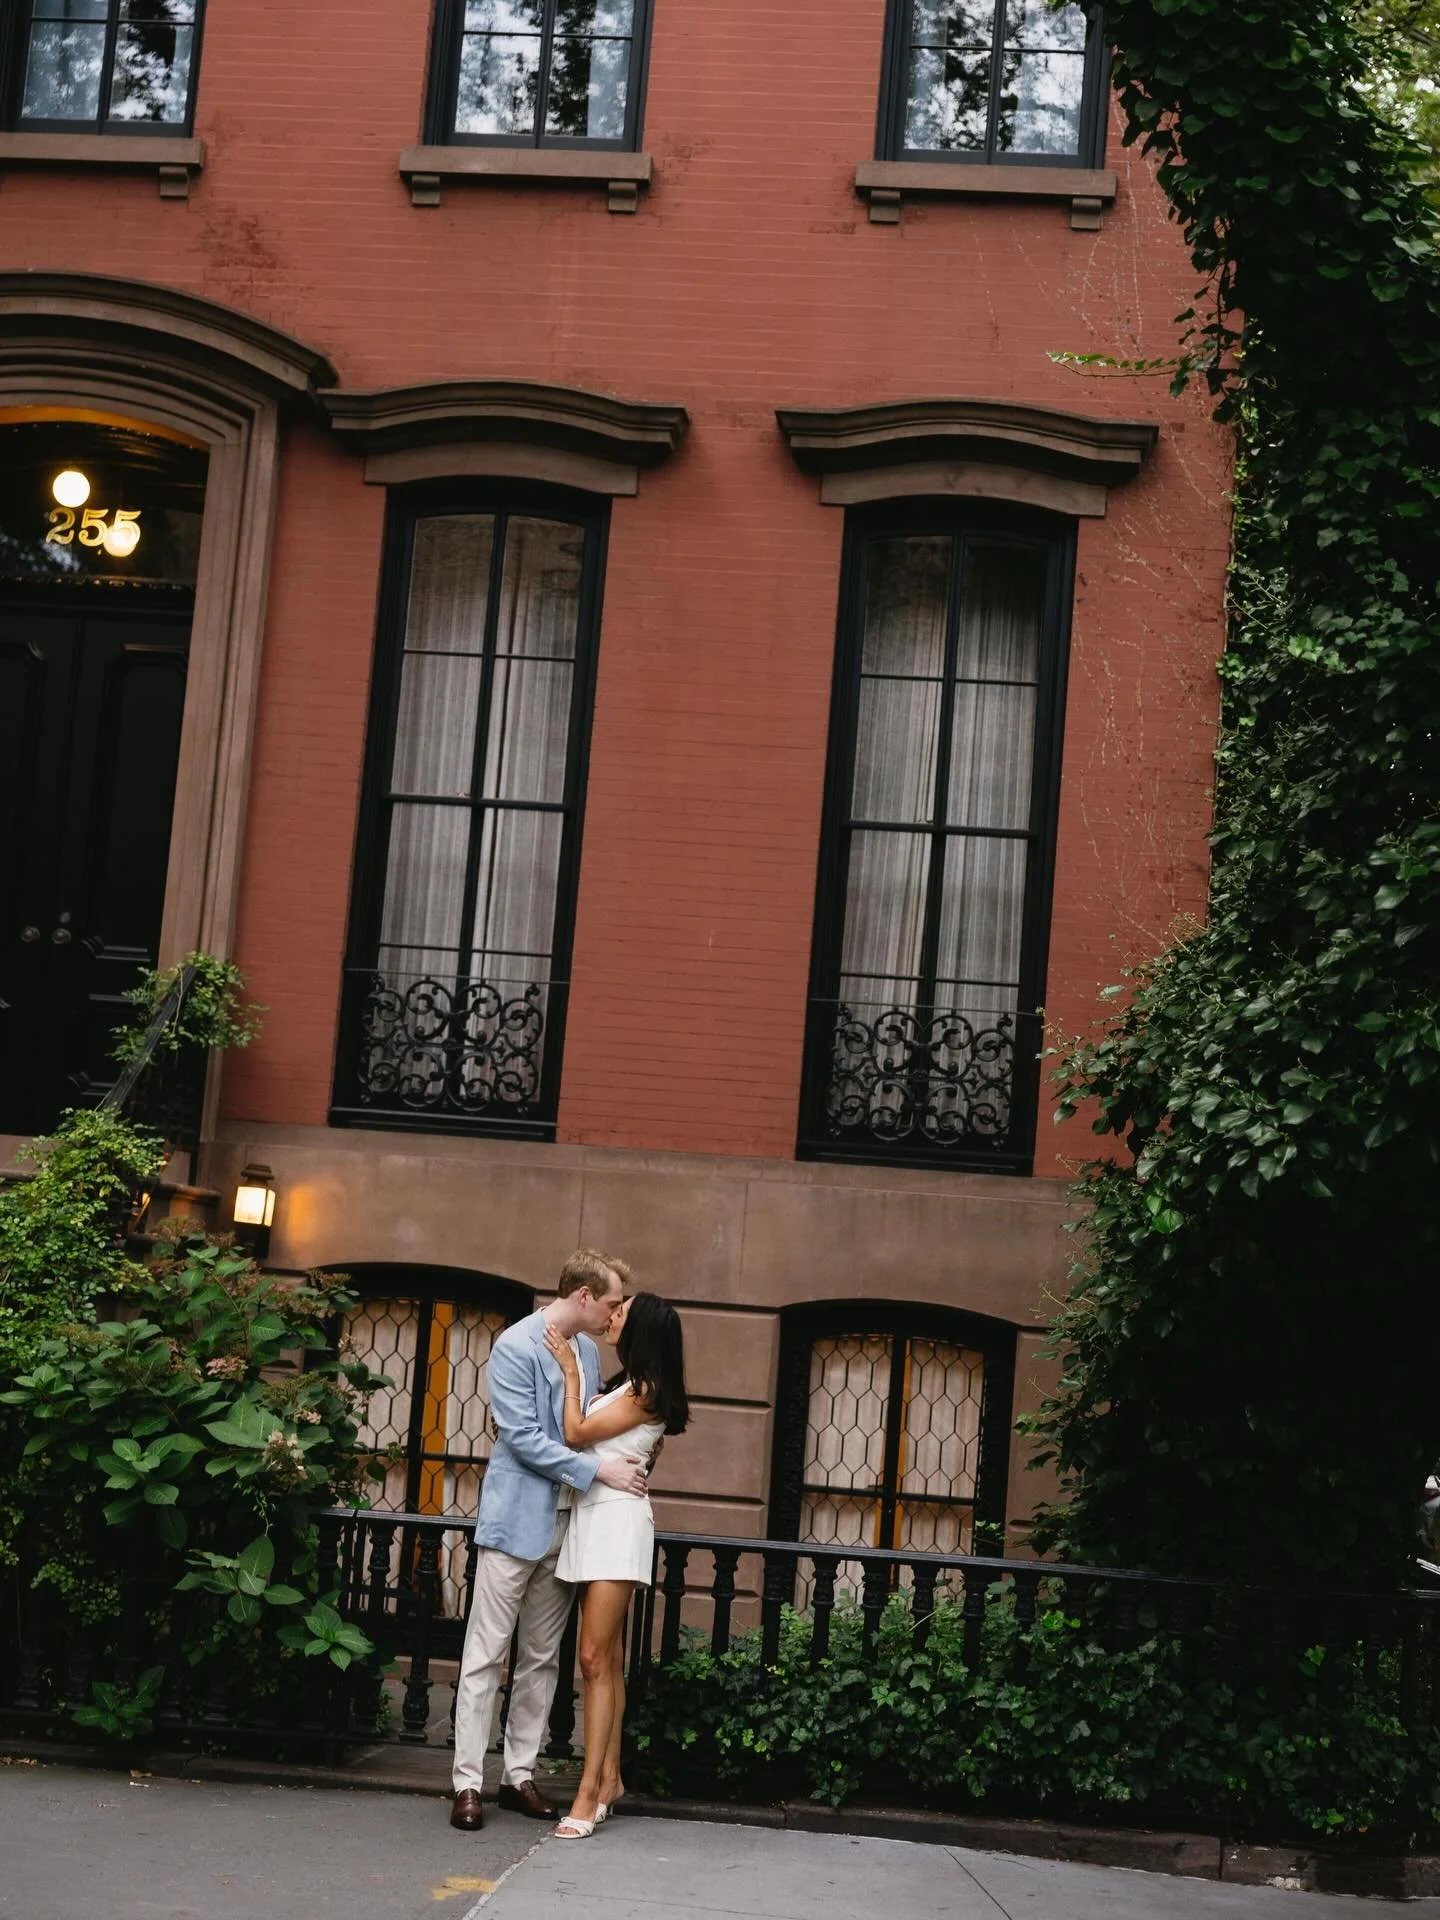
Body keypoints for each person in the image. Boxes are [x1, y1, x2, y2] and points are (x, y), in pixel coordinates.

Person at [449, 1250, 648, 1833]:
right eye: (611, 1302)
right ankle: (466, 1783)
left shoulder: (585, 1351)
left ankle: (518, 1775)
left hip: (568, 1529)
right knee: (485, 1656)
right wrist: (598, 1473)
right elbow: (522, 1439)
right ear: (584, 1296)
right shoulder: (514, 1345)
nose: (616, 1314)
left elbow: (582, 1429)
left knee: (540, 1660)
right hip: (515, 1524)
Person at [543, 1290, 690, 1839]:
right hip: (595, 1516)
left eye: (622, 1314)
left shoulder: (648, 1391)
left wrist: (569, 1375)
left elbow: (576, 1434)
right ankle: (609, 1779)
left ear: (644, 1330)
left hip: (617, 1522)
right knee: (606, 1660)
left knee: (593, 1657)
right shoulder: (630, 1386)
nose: (612, 1318)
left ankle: (588, 1794)